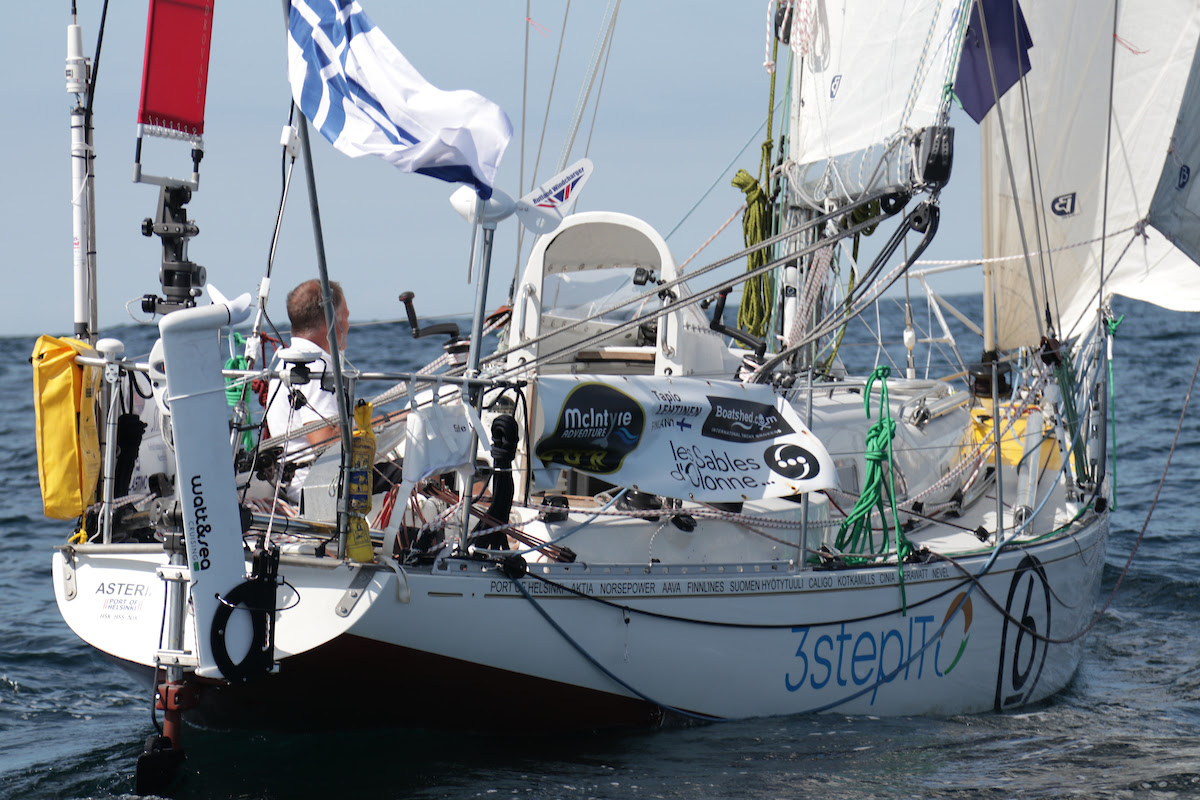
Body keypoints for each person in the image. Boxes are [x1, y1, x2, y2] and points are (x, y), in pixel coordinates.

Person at [263, 279, 349, 500]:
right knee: (412, 470)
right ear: (331, 323)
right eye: (346, 318)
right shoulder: (313, 369)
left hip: (293, 483)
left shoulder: (284, 363)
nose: (348, 326)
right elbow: (326, 444)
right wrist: (389, 423)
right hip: (318, 488)